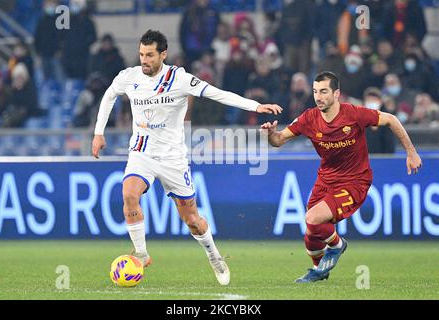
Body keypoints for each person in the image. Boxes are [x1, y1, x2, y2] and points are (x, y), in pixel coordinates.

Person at [92, 30, 282, 285]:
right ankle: (141, 253)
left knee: (192, 221)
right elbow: (108, 96)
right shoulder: (129, 77)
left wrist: (254, 106)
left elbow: (217, 93)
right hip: (142, 152)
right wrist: (98, 133)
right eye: (141, 54)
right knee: (128, 194)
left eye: (149, 55)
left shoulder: (179, 79)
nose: (144, 60)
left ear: (163, 54)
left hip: (173, 158)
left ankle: (214, 256)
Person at [261, 71, 421, 283]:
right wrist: (272, 135)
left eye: (324, 91)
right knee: (311, 233)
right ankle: (319, 271)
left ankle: (337, 245)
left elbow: (391, 119)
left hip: (355, 181)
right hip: (326, 180)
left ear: (336, 94)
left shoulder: (354, 114)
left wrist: (411, 151)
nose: (318, 97)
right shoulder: (309, 118)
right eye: (315, 91)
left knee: (313, 218)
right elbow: (279, 140)